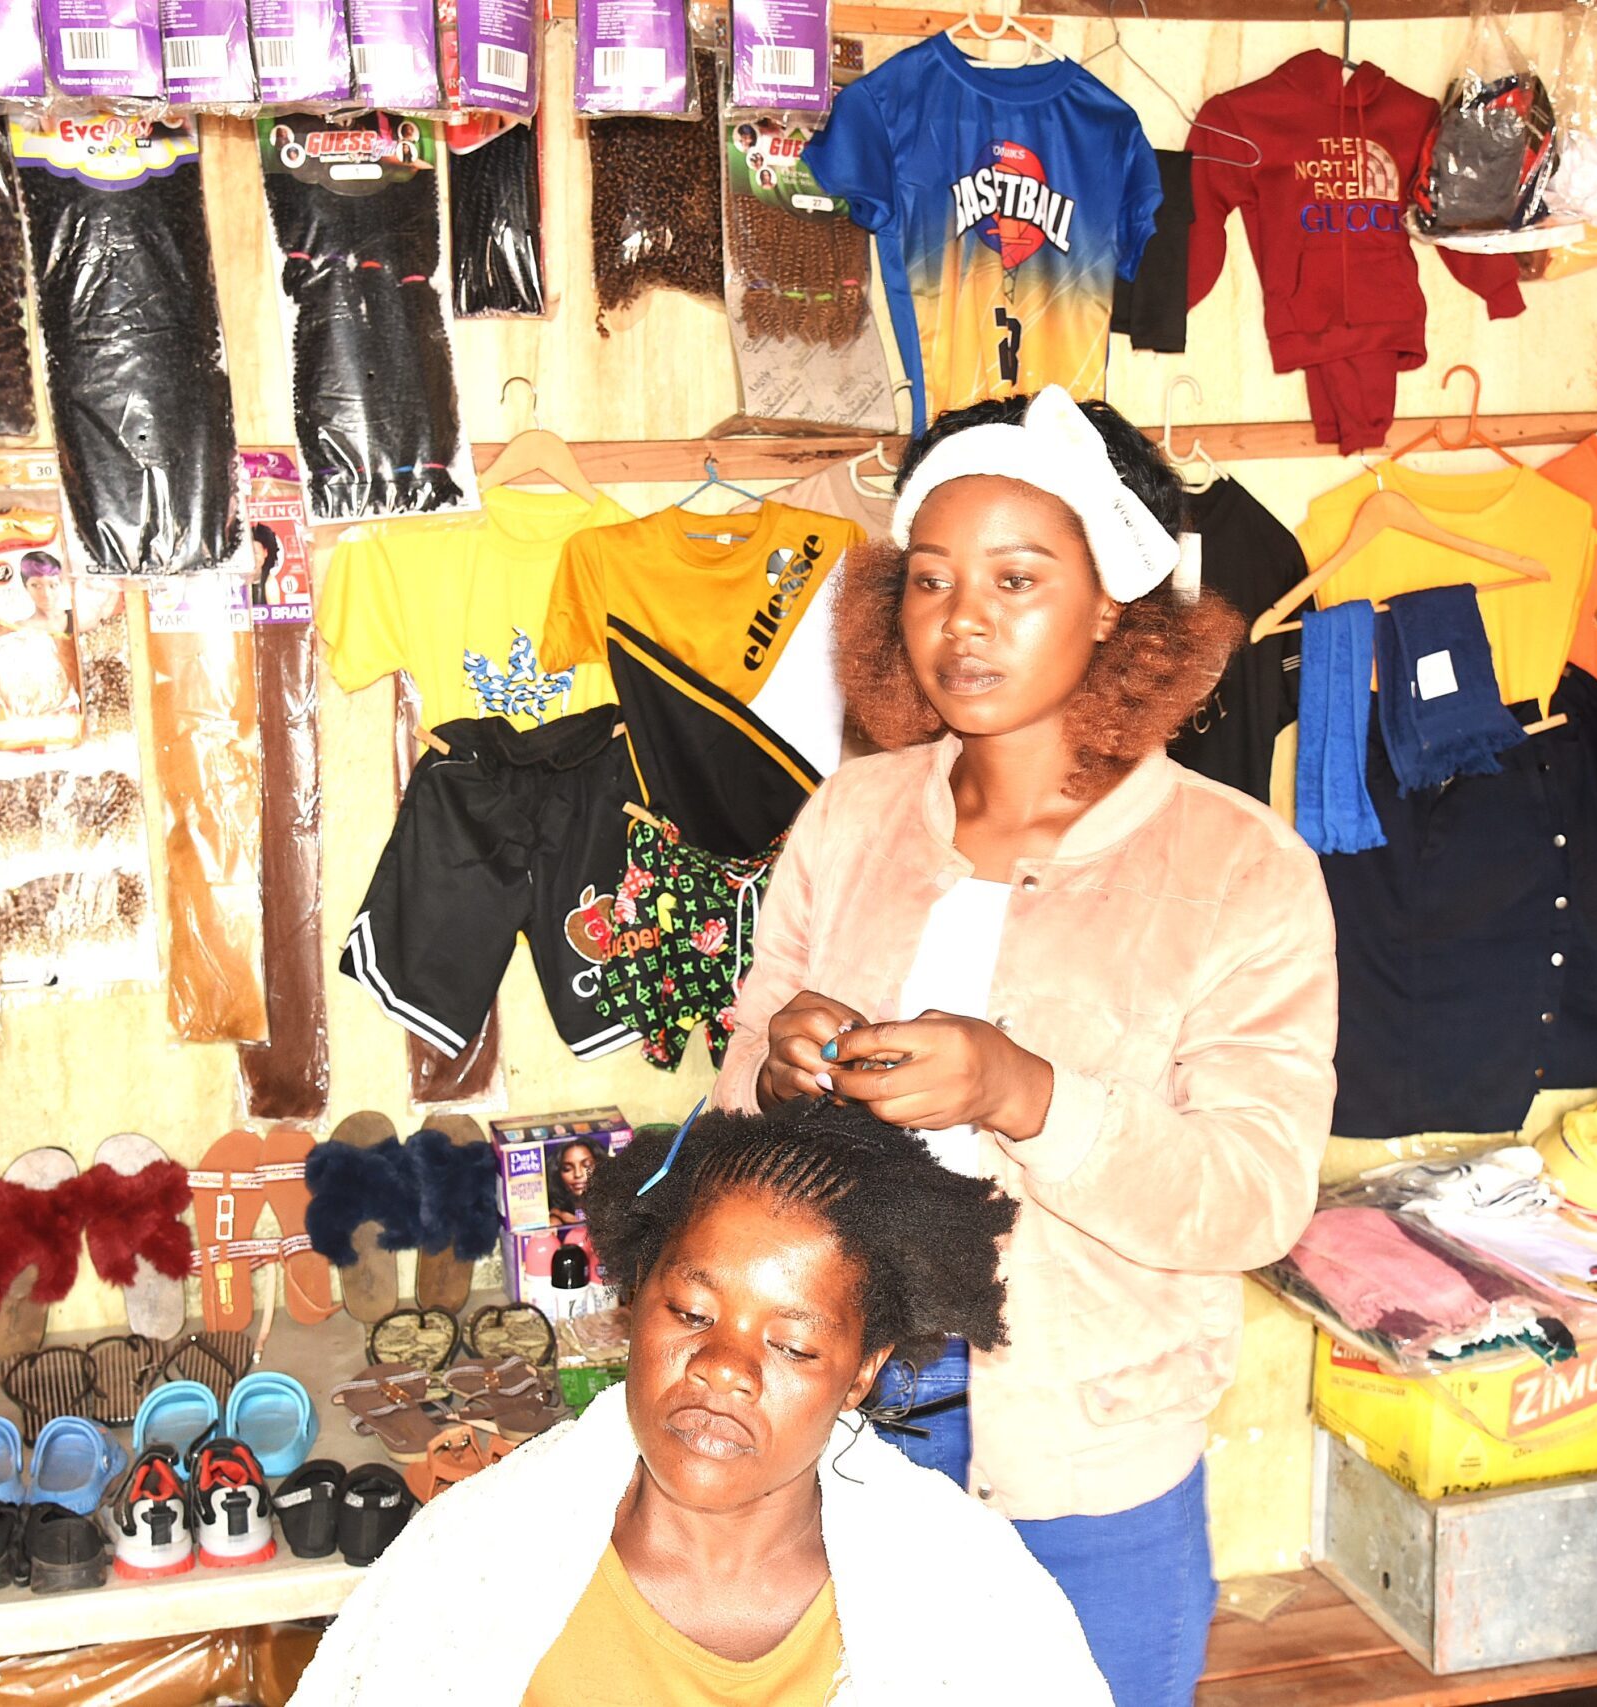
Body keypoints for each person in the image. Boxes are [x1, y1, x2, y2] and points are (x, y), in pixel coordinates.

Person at [711, 385, 1339, 1707]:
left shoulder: (1240, 869)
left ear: (1110, 595)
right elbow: (735, 1128)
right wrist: (777, 1070)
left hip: (1085, 1471)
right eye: (931, 579)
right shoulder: (854, 816)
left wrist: (1029, 1091)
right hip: (837, 1432)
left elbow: (1257, 1192)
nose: (964, 619)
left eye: (1017, 576)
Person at [290, 1097, 1116, 1706]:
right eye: (691, 1313)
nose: (724, 1367)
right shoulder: (475, 1568)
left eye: (792, 1344)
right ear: (632, 1299)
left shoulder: (963, 1601)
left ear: (862, 1370)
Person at [547, 1136, 600, 1225]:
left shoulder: (613, 1207)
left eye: (587, 1165)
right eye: (567, 1169)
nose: (578, 1174)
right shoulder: (556, 1216)